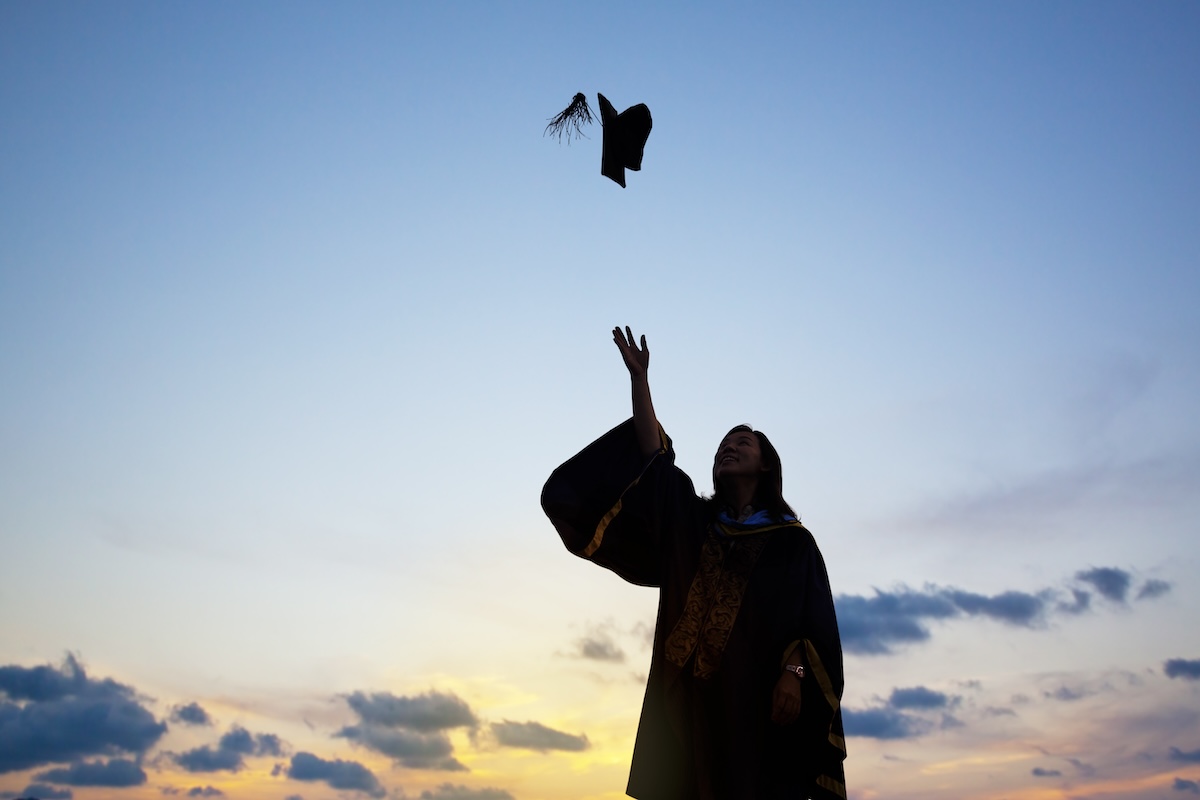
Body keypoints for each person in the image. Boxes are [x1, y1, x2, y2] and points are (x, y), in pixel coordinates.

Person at [541, 327, 847, 800]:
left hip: (752, 705)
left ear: (766, 464)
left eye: (743, 442)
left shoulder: (792, 545)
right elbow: (653, 461)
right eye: (724, 442)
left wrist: (794, 674)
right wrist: (639, 381)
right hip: (684, 701)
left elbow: (814, 624)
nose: (730, 446)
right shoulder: (696, 523)